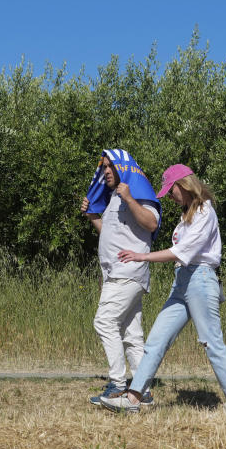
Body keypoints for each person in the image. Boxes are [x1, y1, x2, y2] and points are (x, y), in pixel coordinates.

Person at [101, 164, 226, 414]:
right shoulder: (186, 214)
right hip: (182, 281)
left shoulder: (205, 211)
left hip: (200, 279)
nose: (170, 195)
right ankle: (134, 398)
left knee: (211, 341)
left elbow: (183, 252)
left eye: (172, 189)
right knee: (156, 340)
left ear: (185, 185)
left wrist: (140, 257)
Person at [81, 149, 161, 406]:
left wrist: (129, 198)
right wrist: (93, 216)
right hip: (117, 273)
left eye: (110, 166)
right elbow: (111, 234)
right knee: (130, 332)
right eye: (103, 167)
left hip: (127, 272)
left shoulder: (134, 193)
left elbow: (151, 223)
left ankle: (117, 384)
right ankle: (142, 390)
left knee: (104, 322)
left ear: (123, 169)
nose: (105, 171)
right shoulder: (114, 198)